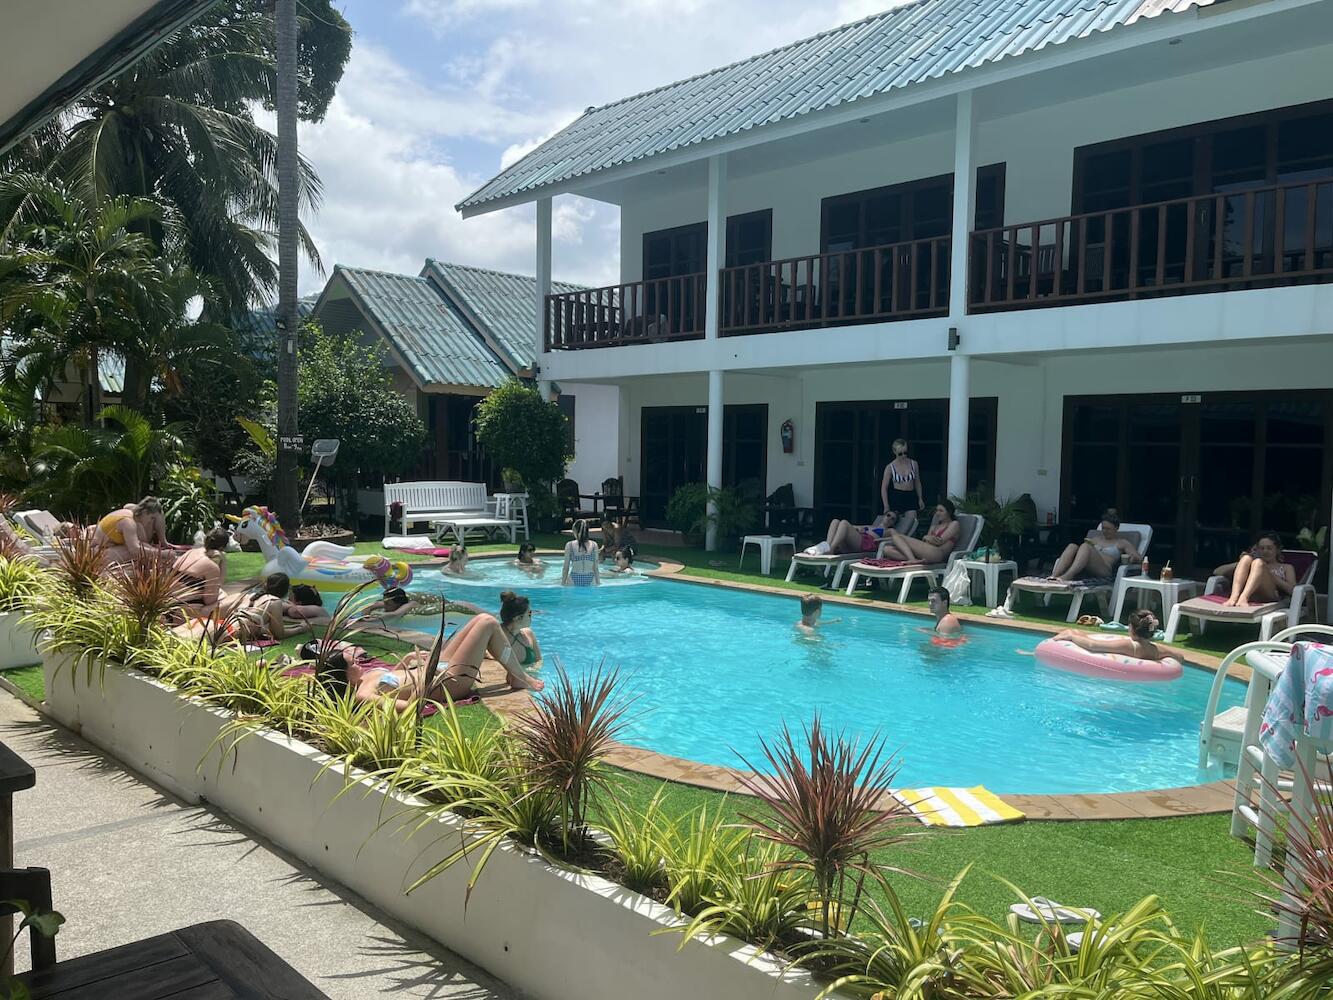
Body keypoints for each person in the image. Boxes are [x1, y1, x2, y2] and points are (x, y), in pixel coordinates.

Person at [320, 612, 544, 711]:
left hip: (432, 670)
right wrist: (423, 686)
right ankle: (519, 677)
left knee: (478, 619)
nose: (359, 664)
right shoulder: (364, 695)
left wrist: (407, 661)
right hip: (448, 682)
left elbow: (393, 679)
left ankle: (517, 674)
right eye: (352, 664)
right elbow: (409, 708)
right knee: (487, 623)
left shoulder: (364, 679)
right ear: (343, 676)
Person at [1048, 512, 1141, 582]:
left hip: (1104, 570)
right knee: (1072, 546)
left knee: (1086, 546)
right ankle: (1054, 575)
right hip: (1086, 567)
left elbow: (1138, 557)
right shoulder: (1096, 539)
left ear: (1116, 528)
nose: (1105, 531)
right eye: (1103, 528)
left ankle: (1068, 576)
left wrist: (1132, 558)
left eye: (1108, 529)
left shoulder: (1122, 542)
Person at [1213, 531, 1297, 607]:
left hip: (1270, 595)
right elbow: (1217, 572)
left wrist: (1270, 574)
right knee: (1246, 558)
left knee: (1258, 563)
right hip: (1252, 595)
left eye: (1269, 548)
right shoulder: (1250, 563)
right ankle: (1234, 597)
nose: (1265, 551)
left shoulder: (1286, 567)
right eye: (1262, 548)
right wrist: (1241, 562)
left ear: (1277, 550)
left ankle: (1244, 597)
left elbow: (1293, 590)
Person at [1054, 608, 1163, 661]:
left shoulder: (1129, 645)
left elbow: (1092, 646)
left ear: (1130, 627)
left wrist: (1072, 637)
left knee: (1070, 632)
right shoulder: (1155, 649)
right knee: (1075, 631)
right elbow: (1179, 656)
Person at [878, 500, 961, 563]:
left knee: (897, 536)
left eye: (941, 511)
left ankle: (912, 560)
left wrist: (927, 538)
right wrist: (928, 538)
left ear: (949, 512)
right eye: (937, 510)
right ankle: (915, 559)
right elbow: (927, 541)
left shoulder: (954, 524)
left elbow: (939, 541)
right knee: (887, 549)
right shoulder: (934, 526)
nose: (937, 513)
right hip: (927, 552)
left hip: (938, 553)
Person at [807, 509, 915, 557]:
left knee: (844, 522)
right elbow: (852, 527)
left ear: (893, 523)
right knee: (836, 521)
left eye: (893, 519)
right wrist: (856, 530)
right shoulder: (871, 526)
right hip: (855, 541)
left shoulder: (888, 531)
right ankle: (828, 545)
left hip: (865, 544)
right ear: (884, 516)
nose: (889, 519)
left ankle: (831, 548)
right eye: (888, 515)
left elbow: (898, 537)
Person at [95, 497, 170, 564]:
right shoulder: (129, 523)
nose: (150, 522)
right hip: (98, 553)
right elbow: (135, 550)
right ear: (144, 512)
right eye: (151, 518)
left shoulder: (131, 513)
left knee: (145, 547)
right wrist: (162, 553)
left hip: (105, 547)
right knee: (140, 552)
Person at [174, 527, 230, 616]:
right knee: (231, 600)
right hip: (187, 611)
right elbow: (210, 600)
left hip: (170, 605)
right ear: (222, 547)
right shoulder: (211, 567)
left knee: (221, 593)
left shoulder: (189, 553)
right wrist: (223, 563)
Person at [880, 439, 925, 519]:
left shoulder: (914, 464)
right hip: (897, 496)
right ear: (894, 452)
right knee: (898, 524)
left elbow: (917, 482)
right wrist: (886, 505)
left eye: (905, 453)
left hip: (910, 495)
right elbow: (884, 487)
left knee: (911, 522)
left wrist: (920, 498)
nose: (903, 456)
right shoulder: (890, 467)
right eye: (900, 454)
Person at [498, 590, 542, 670]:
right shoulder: (498, 635)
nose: (531, 616)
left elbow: (539, 660)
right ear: (518, 618)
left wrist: (532, 671)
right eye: (529, 614)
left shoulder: (529, 633)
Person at [562, 519, 600, 586]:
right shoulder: (594, 545)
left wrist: (562, 584)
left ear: (576, 531)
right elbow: (595, 568)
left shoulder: (569, 545)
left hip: (574, 577)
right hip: (590, 578)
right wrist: (598, 583)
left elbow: (566, 568)